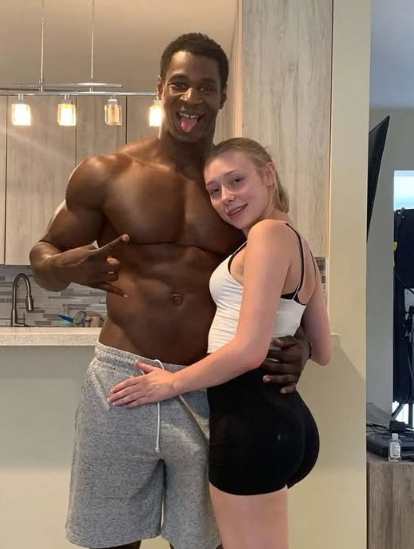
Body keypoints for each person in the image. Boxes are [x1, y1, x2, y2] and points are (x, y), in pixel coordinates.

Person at [30, 34, 311, 549]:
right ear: (159, 88)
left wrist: (303, 346)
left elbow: (290, 276)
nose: (191, 99)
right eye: (180, 84)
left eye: (206, 87)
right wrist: (63, 266)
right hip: (123, 380)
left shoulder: (235, 194)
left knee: (204, 542)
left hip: (210, 384)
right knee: (108, 540)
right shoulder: (106, 174)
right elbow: (43, 257)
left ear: (222, 96)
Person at [109, 138, 332, 549]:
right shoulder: (298, 241)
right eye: (214, 190)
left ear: (268, 175)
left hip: (251, 421)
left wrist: (170, 383)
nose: (226, 197)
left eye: (236, 181)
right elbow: (324, 350)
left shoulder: (266, 234)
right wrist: (297, 346)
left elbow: (248, 350)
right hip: (284, 420)